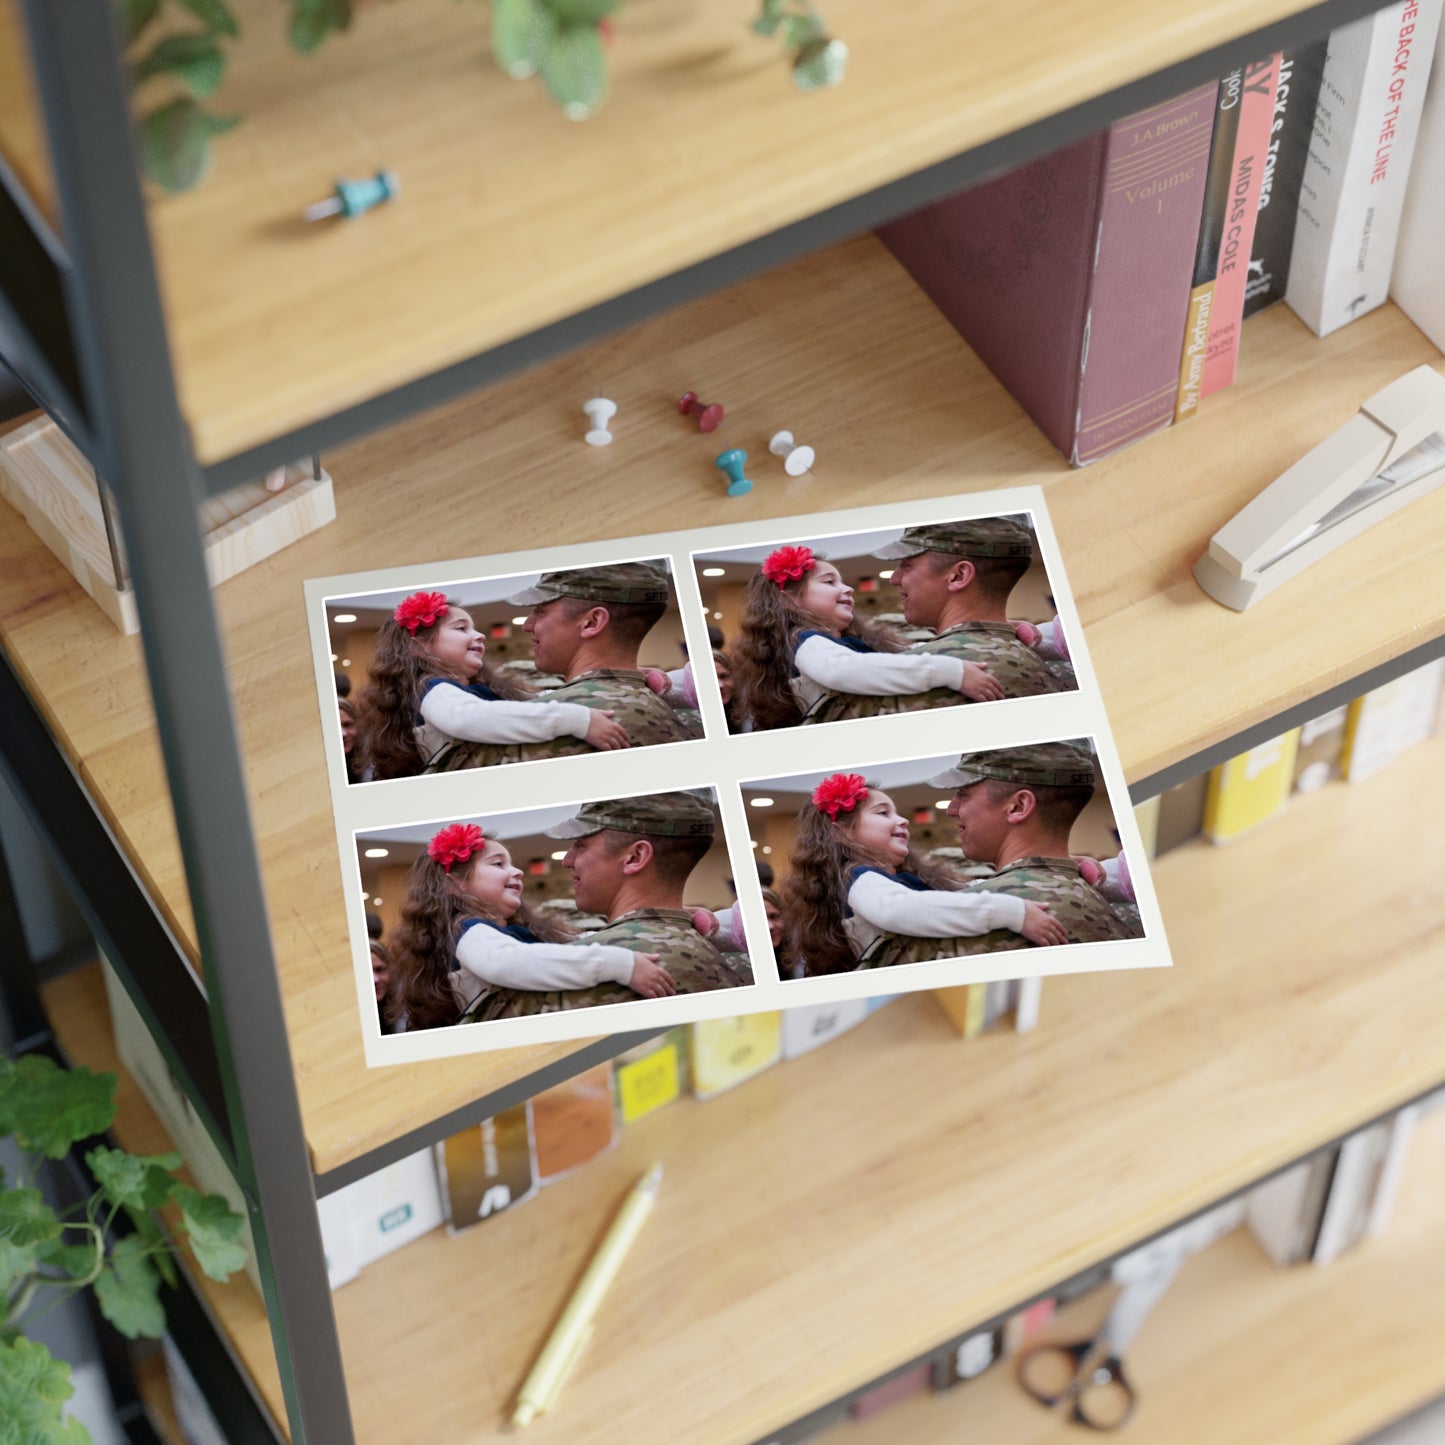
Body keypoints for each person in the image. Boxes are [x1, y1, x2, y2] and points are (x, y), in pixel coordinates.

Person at [464, 791, 750, 1021]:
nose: (567, 860)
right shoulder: (718, 954)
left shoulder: (575, 971)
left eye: (581, 845)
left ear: (634, 857)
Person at [859, 742, 1142, 971]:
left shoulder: (955, 920)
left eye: (963, 794)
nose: (951, 809)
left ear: (1018, 806)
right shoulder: (1113, 909)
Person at [388, 822, 683, 1031]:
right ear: (455, 885)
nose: (517, 871)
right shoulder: (470, 931)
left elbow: (579, 943)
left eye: (511, 863)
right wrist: (619, 964)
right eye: (498, 864)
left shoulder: (514, 933)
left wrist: (654, 918)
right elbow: (505, 963)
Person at [779, 773, 1068, 976]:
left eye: (897, 813)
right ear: (839, 833)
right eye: (883, 813)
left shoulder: (908, 878)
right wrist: (1009, 912)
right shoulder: (860, 879)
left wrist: (1039, 865)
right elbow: (897, 910)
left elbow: (975, 888)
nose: (902, 819)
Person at [427, 562, 701, 771]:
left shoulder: (522, 730)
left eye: (540, 611)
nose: (527, 624)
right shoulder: (678, 716)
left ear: (592, 623)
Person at [806, 518, 1073, 726]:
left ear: (958, 576)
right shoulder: (1058, 672)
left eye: (906, 565)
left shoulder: (896, 679)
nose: (894, 578)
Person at [354, 590, 628, 780]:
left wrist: (604, 679)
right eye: (462, 629)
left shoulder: (478, 689)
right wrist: (575, 720)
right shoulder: (433, 690)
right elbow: (468, 719)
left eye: (474, 627)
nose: (480, 635)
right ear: (419, 647)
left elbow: (541, 699)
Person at [731, 544, 1007, 731]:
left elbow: (912, 652)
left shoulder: (849, 643)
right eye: (830, 582)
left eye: (842, 580)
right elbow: (842, 670)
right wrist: (949, 672)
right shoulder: (806, 642)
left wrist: (983, 628)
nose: (848, 588)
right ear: (788, 601)